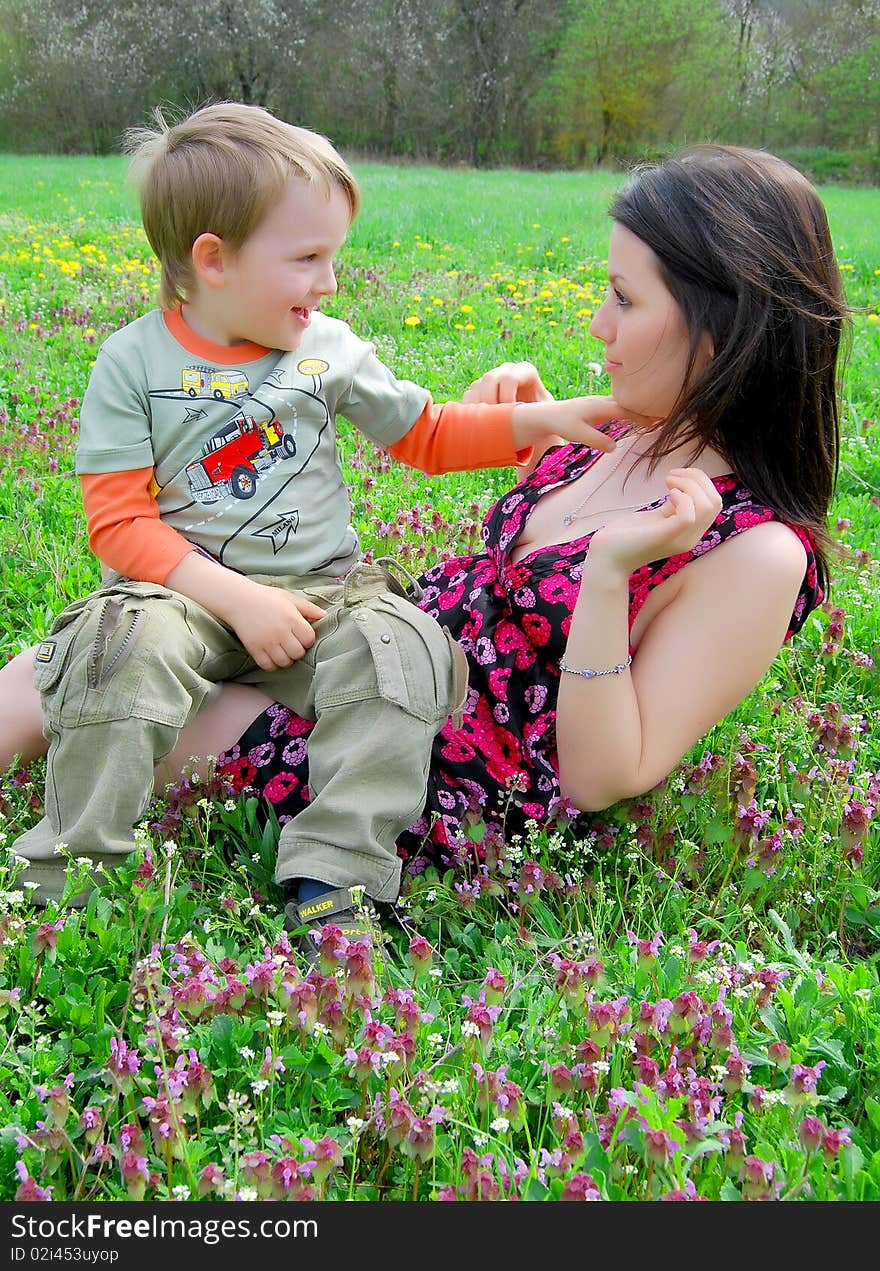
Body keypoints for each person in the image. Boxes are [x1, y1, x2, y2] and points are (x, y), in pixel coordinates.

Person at [3, 144, 845, 941]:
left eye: (625, 299)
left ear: (722, 330)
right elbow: (511, 533)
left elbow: (603, 774)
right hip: (380, 646)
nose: (597, 324)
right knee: (123, 636)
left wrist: (609, 577)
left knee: (116, 685)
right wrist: (531, 422)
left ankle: (303, 887)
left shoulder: (758, 552)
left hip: (422, 757)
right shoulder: (645, 428)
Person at [4, 101, 624, 958]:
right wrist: (238, 600)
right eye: (307, 258)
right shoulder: (134, 363)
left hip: (323, 589)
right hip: (178, 592)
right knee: (114, 649)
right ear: (212, 260)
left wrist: (544, 417)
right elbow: (118, 525)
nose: (330, 282)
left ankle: (335, 877)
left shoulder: (325, 346)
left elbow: (428, 434)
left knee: (401, 650)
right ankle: (72, 873)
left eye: (333, 256)